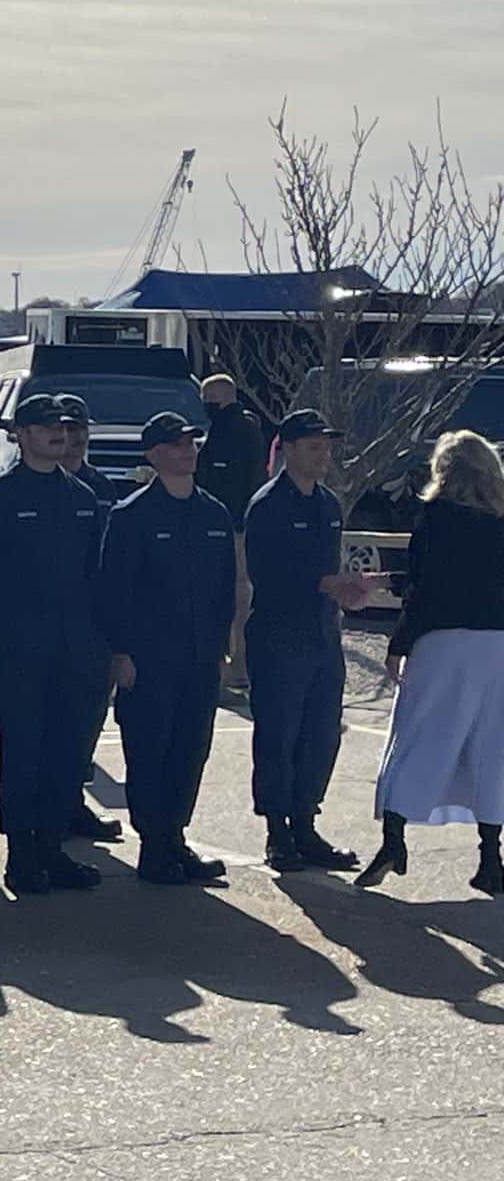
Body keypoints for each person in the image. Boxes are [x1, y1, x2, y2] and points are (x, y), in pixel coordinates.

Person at [0, 394, 106, 896]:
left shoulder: (81, 497)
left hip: (73, 649)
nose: (58, 434)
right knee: (24, 755)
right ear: (21, 435)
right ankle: (21, 854)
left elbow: (95, 576)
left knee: (66, 755)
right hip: (19, 649)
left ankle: (53, 848)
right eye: (44, 426)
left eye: (62, 426)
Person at [359, 430, 504, 895]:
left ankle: (394, 840)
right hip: (497, 642)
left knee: (418, 736)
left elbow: (426, 587)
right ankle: (490, 857)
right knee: (492, 747)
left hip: (443, 641)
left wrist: (399, 643)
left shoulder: (437, 517)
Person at [96, 412, 237, 886]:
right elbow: (114, 591)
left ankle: (175, 838)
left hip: (199, 657)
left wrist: (222, 650)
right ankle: (154, 848)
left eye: (191, 443)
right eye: (176, 445)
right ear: (154, 454)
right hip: (149, 660)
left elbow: (224, 589)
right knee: (150, 752)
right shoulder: (132, 515)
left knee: (190, 751)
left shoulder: (213, 514)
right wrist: (120, 652)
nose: (187, 451)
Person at [244, 409, 372, 873]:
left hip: (322, 634)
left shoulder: (328, 505)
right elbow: (266, 574)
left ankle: (305, 822)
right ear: (289, 449)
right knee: (279, 734)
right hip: (280, 635)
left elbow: (331, 569)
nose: (324, 457)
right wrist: (323, 584)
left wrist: (349, 591)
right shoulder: (268, 505)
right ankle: (277, 831)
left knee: (321, 734)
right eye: (315, 447)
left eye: (327, 448)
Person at [56, 394, 124, 844]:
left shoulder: (102, 488)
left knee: (87, 720)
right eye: (66, 428)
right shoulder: (32, 485)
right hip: (49, 626)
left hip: (94, 627)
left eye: (80, 427)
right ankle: (48, 811)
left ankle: (72, 804)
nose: (74, 436)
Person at [197, 373, 266, 687]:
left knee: (237, 597)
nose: (206, 405)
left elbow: (225, 480)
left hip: (232, 526)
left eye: (209, 399)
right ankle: (235, 666)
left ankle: (236, 667)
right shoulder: (245, 427)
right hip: (236, 524)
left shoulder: (232, 430)